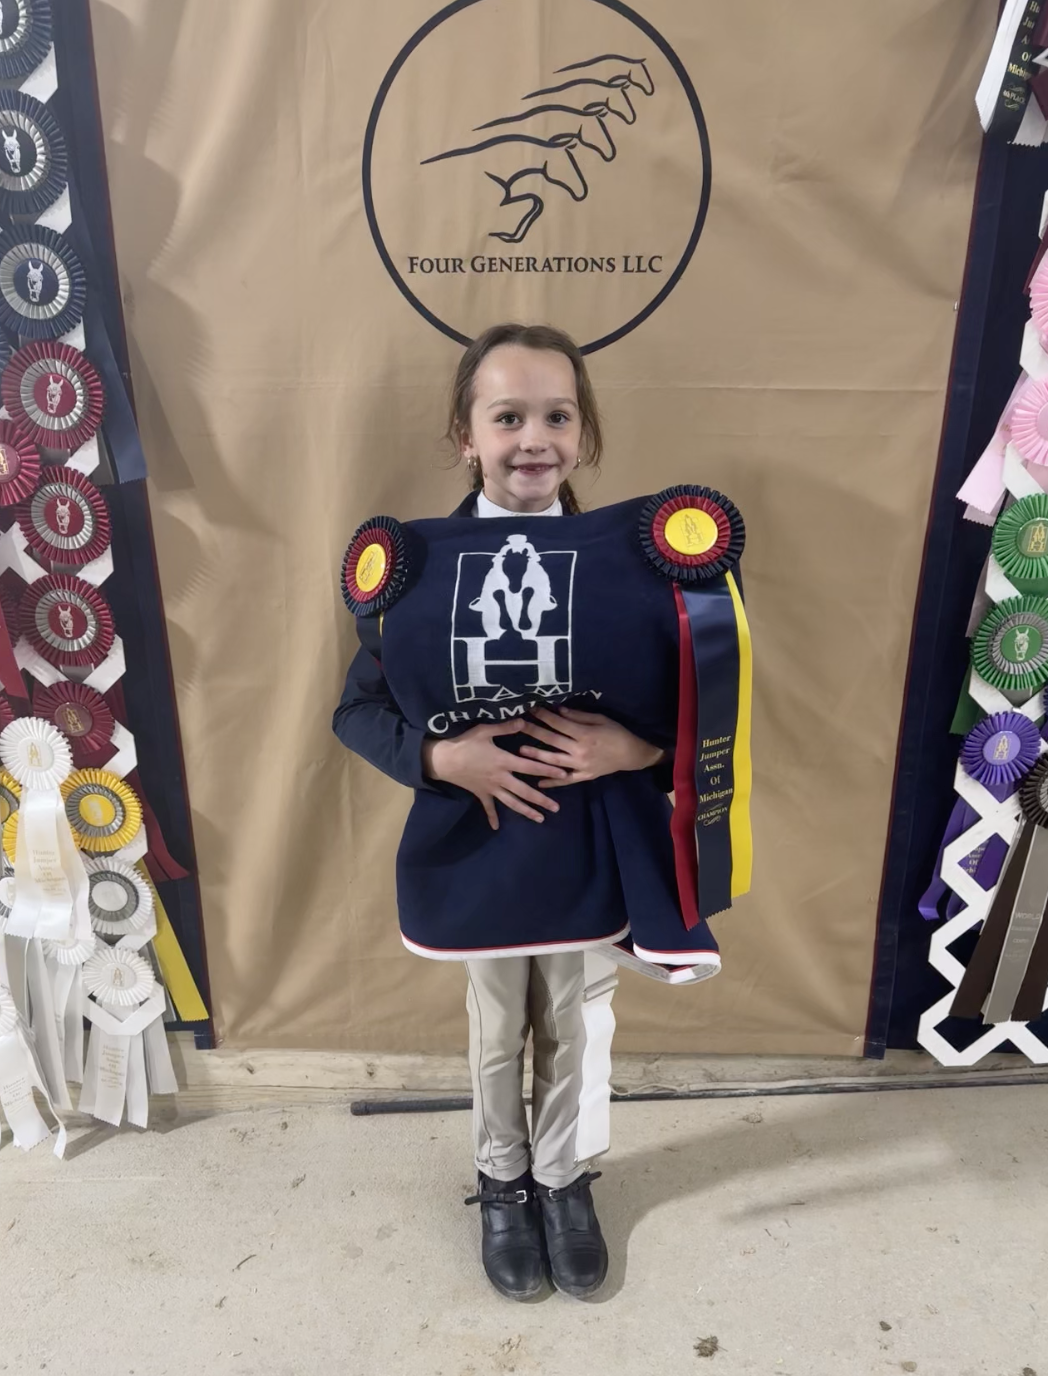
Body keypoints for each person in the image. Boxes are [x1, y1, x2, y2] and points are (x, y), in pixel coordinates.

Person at [333, 322, 748, 1302]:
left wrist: (637, 749)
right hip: (474, 851)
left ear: (584, 431)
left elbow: (707, 699)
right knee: (494, 1027)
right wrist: (439, 753)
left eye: (556, 416)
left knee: (577, 1019)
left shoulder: (642, 568)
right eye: (506, 415)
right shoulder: (415, 575)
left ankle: (563, 1178)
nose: (533, 438)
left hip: (591, 847)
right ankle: (502, 1177)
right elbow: (357, 709)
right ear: (464, 434)